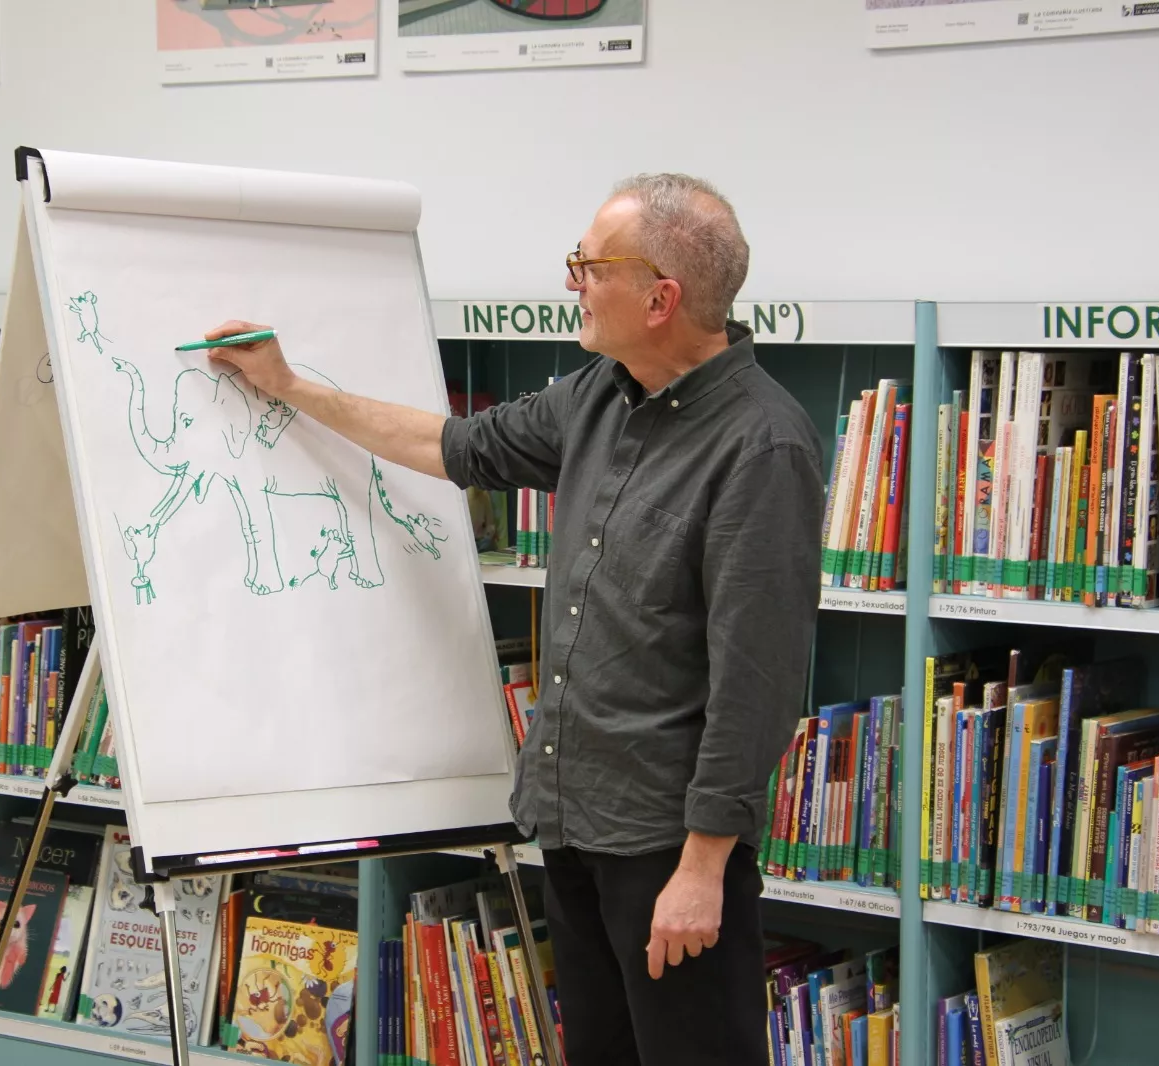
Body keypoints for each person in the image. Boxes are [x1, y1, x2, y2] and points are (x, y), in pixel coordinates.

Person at [203, 173, 824, 1065]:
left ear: (661, 298)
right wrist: (291, 386)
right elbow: (452, 447)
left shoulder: (762, 445)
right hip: (574, 821)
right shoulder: (597, 395)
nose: (572, 282)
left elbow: (755, 680)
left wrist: (702, 867)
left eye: (590, 265)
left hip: (666, 848)